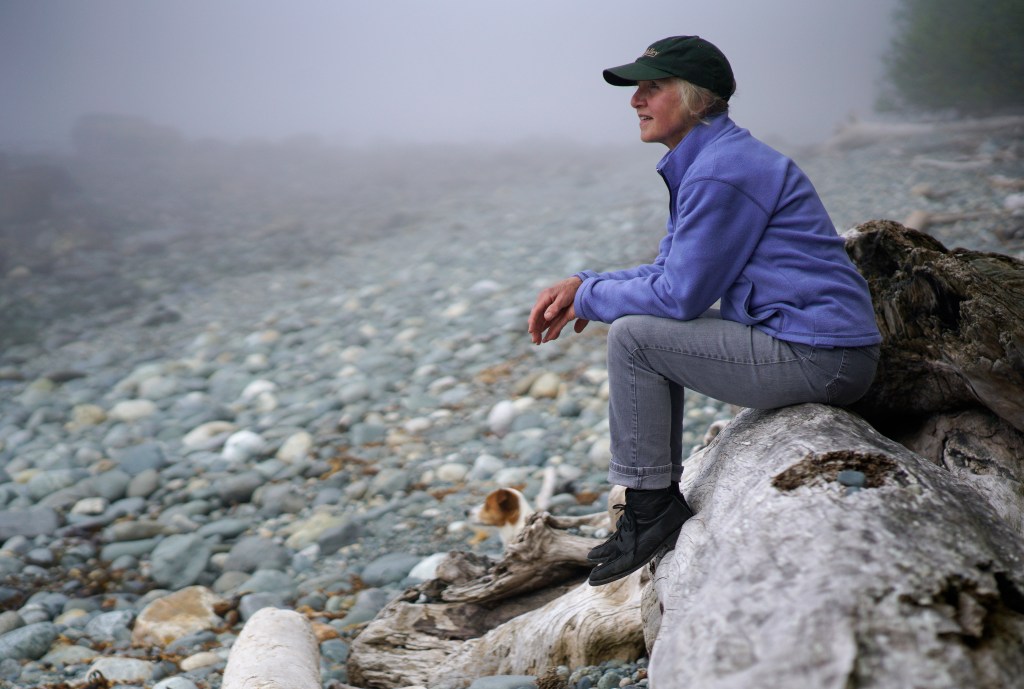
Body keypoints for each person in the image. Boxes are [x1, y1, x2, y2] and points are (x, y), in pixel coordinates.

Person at [526, 36, 881, 587]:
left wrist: (589, 298)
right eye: (637, 90)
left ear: (695, 98)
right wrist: (584, 284)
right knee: (635, 329)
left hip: (823, 357)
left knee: (634, 338)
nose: (635, 100)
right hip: (817, 345)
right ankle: (650, 506)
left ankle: (651, 509)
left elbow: (679, 297)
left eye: (652, 87)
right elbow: (666, 270)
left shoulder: (721, 171)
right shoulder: (712, 160)